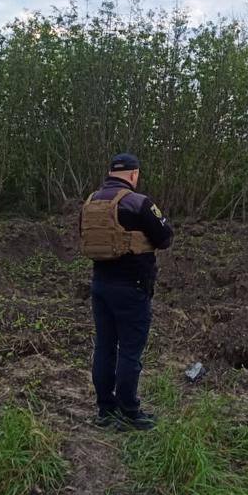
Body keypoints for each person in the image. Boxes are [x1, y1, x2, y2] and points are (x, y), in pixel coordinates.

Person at [80, 152, 173, 430]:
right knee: (130, 352)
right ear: (134, 175)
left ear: (110, 173)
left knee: (105, 348)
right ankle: (130, 412)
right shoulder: (139, 202)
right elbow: (165, 238)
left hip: (99, 286)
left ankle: (105, 411)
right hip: (132, 289)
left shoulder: (90, 203)